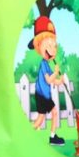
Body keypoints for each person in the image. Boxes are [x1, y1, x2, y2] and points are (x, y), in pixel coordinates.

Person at [28, 16, 65, 146]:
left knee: (44, 117)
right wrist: (55, 73)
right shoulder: (43, 64)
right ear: (38, 45)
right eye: (49, 45)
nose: (53, 49)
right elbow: (49, 80)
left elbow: (53, 82)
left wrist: (60, 81)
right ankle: (49, 136)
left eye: (54, 45)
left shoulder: (47, 64)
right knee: (40, 120)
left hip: (45, 95)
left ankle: (52, 136)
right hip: (42, 96)